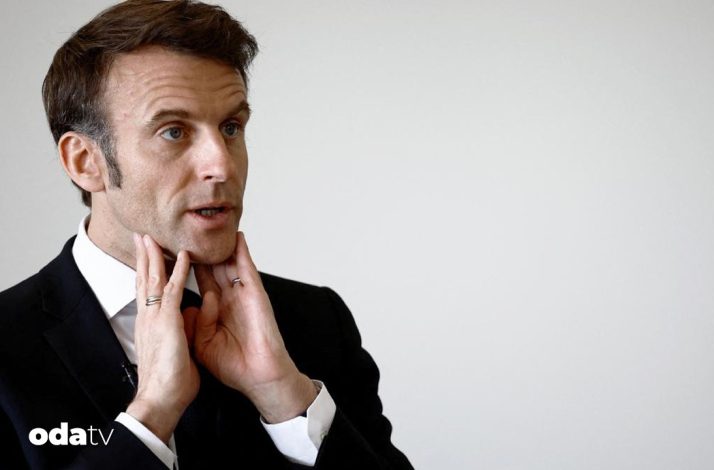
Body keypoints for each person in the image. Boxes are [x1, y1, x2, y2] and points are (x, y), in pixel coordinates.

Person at [0, 1, 413, 468]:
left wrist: (285, 398)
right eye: (173, 132)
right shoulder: (8, 345)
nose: (221, 165)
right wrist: (151, 416)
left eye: (231, 127)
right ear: (84, 161)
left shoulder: (318, 321)